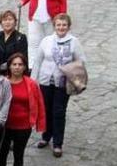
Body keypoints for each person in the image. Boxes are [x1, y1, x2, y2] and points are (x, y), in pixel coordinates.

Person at [34, 13, 87, 158]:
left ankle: (58, 143)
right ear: (54, 26)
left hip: (63, 83)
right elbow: (38, 61)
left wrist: (70, 69)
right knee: (46, 110)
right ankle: (46, 136)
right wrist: (33, 80)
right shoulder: (46, 41)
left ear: (68, 27)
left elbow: (81, 60)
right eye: (58, 25)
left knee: (58, 112)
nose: (61, 27)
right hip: (46, 81)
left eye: (64, 25)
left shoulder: (74, 42)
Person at [0, 53, 46, 166]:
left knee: (19, 154)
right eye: (14, 64)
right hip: (5, 125)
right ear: (9, 66)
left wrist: (39, 123)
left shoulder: (31, 84)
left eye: (20, 65)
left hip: (23, 126)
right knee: (3, 153)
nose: (17, 67)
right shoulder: (2, 82)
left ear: (24, 67)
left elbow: (39, 104)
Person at [20, 0, 67, 72]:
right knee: (33, 42)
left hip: (51, 18)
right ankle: (32, 66)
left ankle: (52, 65)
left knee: (51, 41)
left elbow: (63, 2)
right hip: (35, 16)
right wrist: (22, 2)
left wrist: (62, 17)